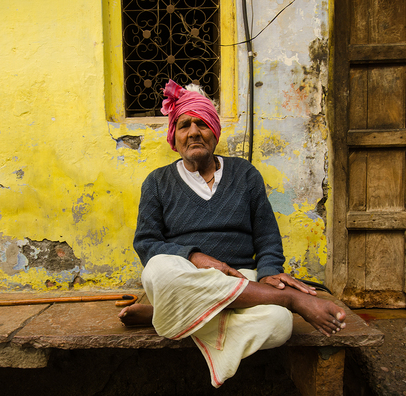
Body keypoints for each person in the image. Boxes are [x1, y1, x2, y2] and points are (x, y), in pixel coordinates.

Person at [119, 80, 346, 387]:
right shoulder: (157, 181)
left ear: (214, 130)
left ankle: (163, 315)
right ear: (175, 135)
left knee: (279, 325)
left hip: (242, 278)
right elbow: (147, 244)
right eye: (184, 125)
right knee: (158, 270)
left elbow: (266, 236)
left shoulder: (244, 174)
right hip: (185, 273)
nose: (194, 132)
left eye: (202, 123)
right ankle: (293, 300)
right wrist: (201, 260)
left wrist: (269, 273)